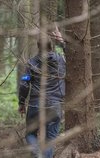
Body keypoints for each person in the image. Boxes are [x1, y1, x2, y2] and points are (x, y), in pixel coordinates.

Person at [18, 27, 66, 158]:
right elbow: (74, 56)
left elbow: (24, 83)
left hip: (35, 104)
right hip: (55, 104)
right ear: (52, 45)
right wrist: (61, 41)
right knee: (50, 139)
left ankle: (36, 153)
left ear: (38, 46)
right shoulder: (61, 60)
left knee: (30, 134)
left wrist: (21, 103)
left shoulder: (31, 63)